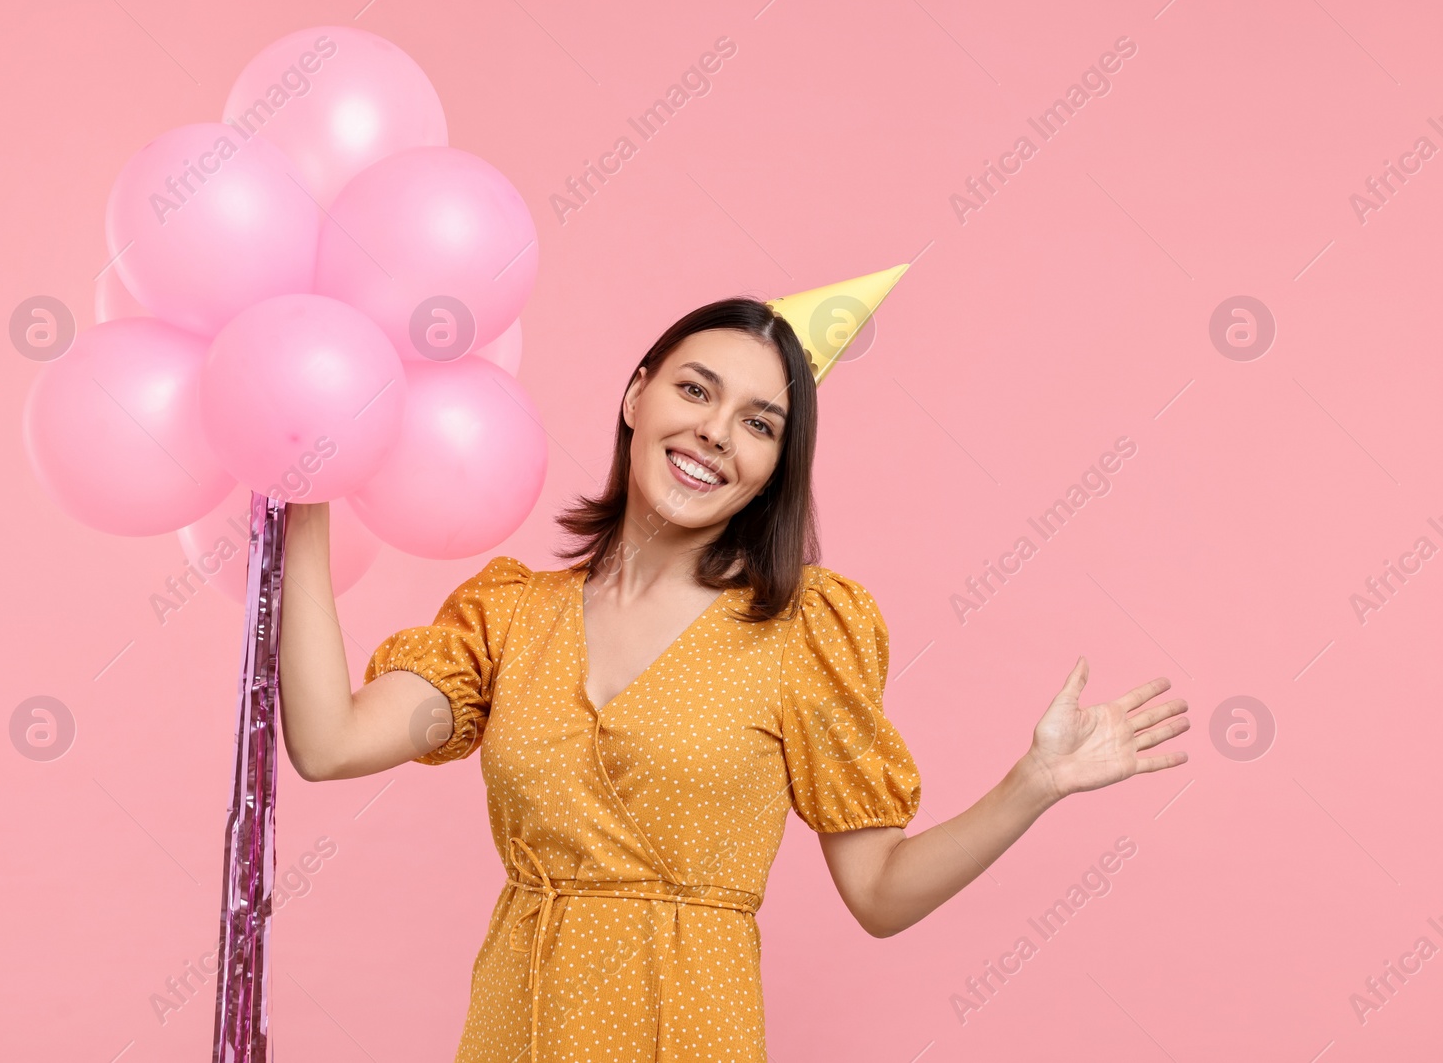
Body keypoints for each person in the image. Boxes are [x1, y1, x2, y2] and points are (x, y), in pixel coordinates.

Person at [276, 295, 1190, 1062]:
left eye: (759, 423)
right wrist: (307, 481)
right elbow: (328, 741)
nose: (715, 433)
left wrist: (1033, 784)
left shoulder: (803, 631)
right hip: (517, 1030)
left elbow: (879, 891)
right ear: (637, 393)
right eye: (694, 390)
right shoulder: (506, 616)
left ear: (772, 469)